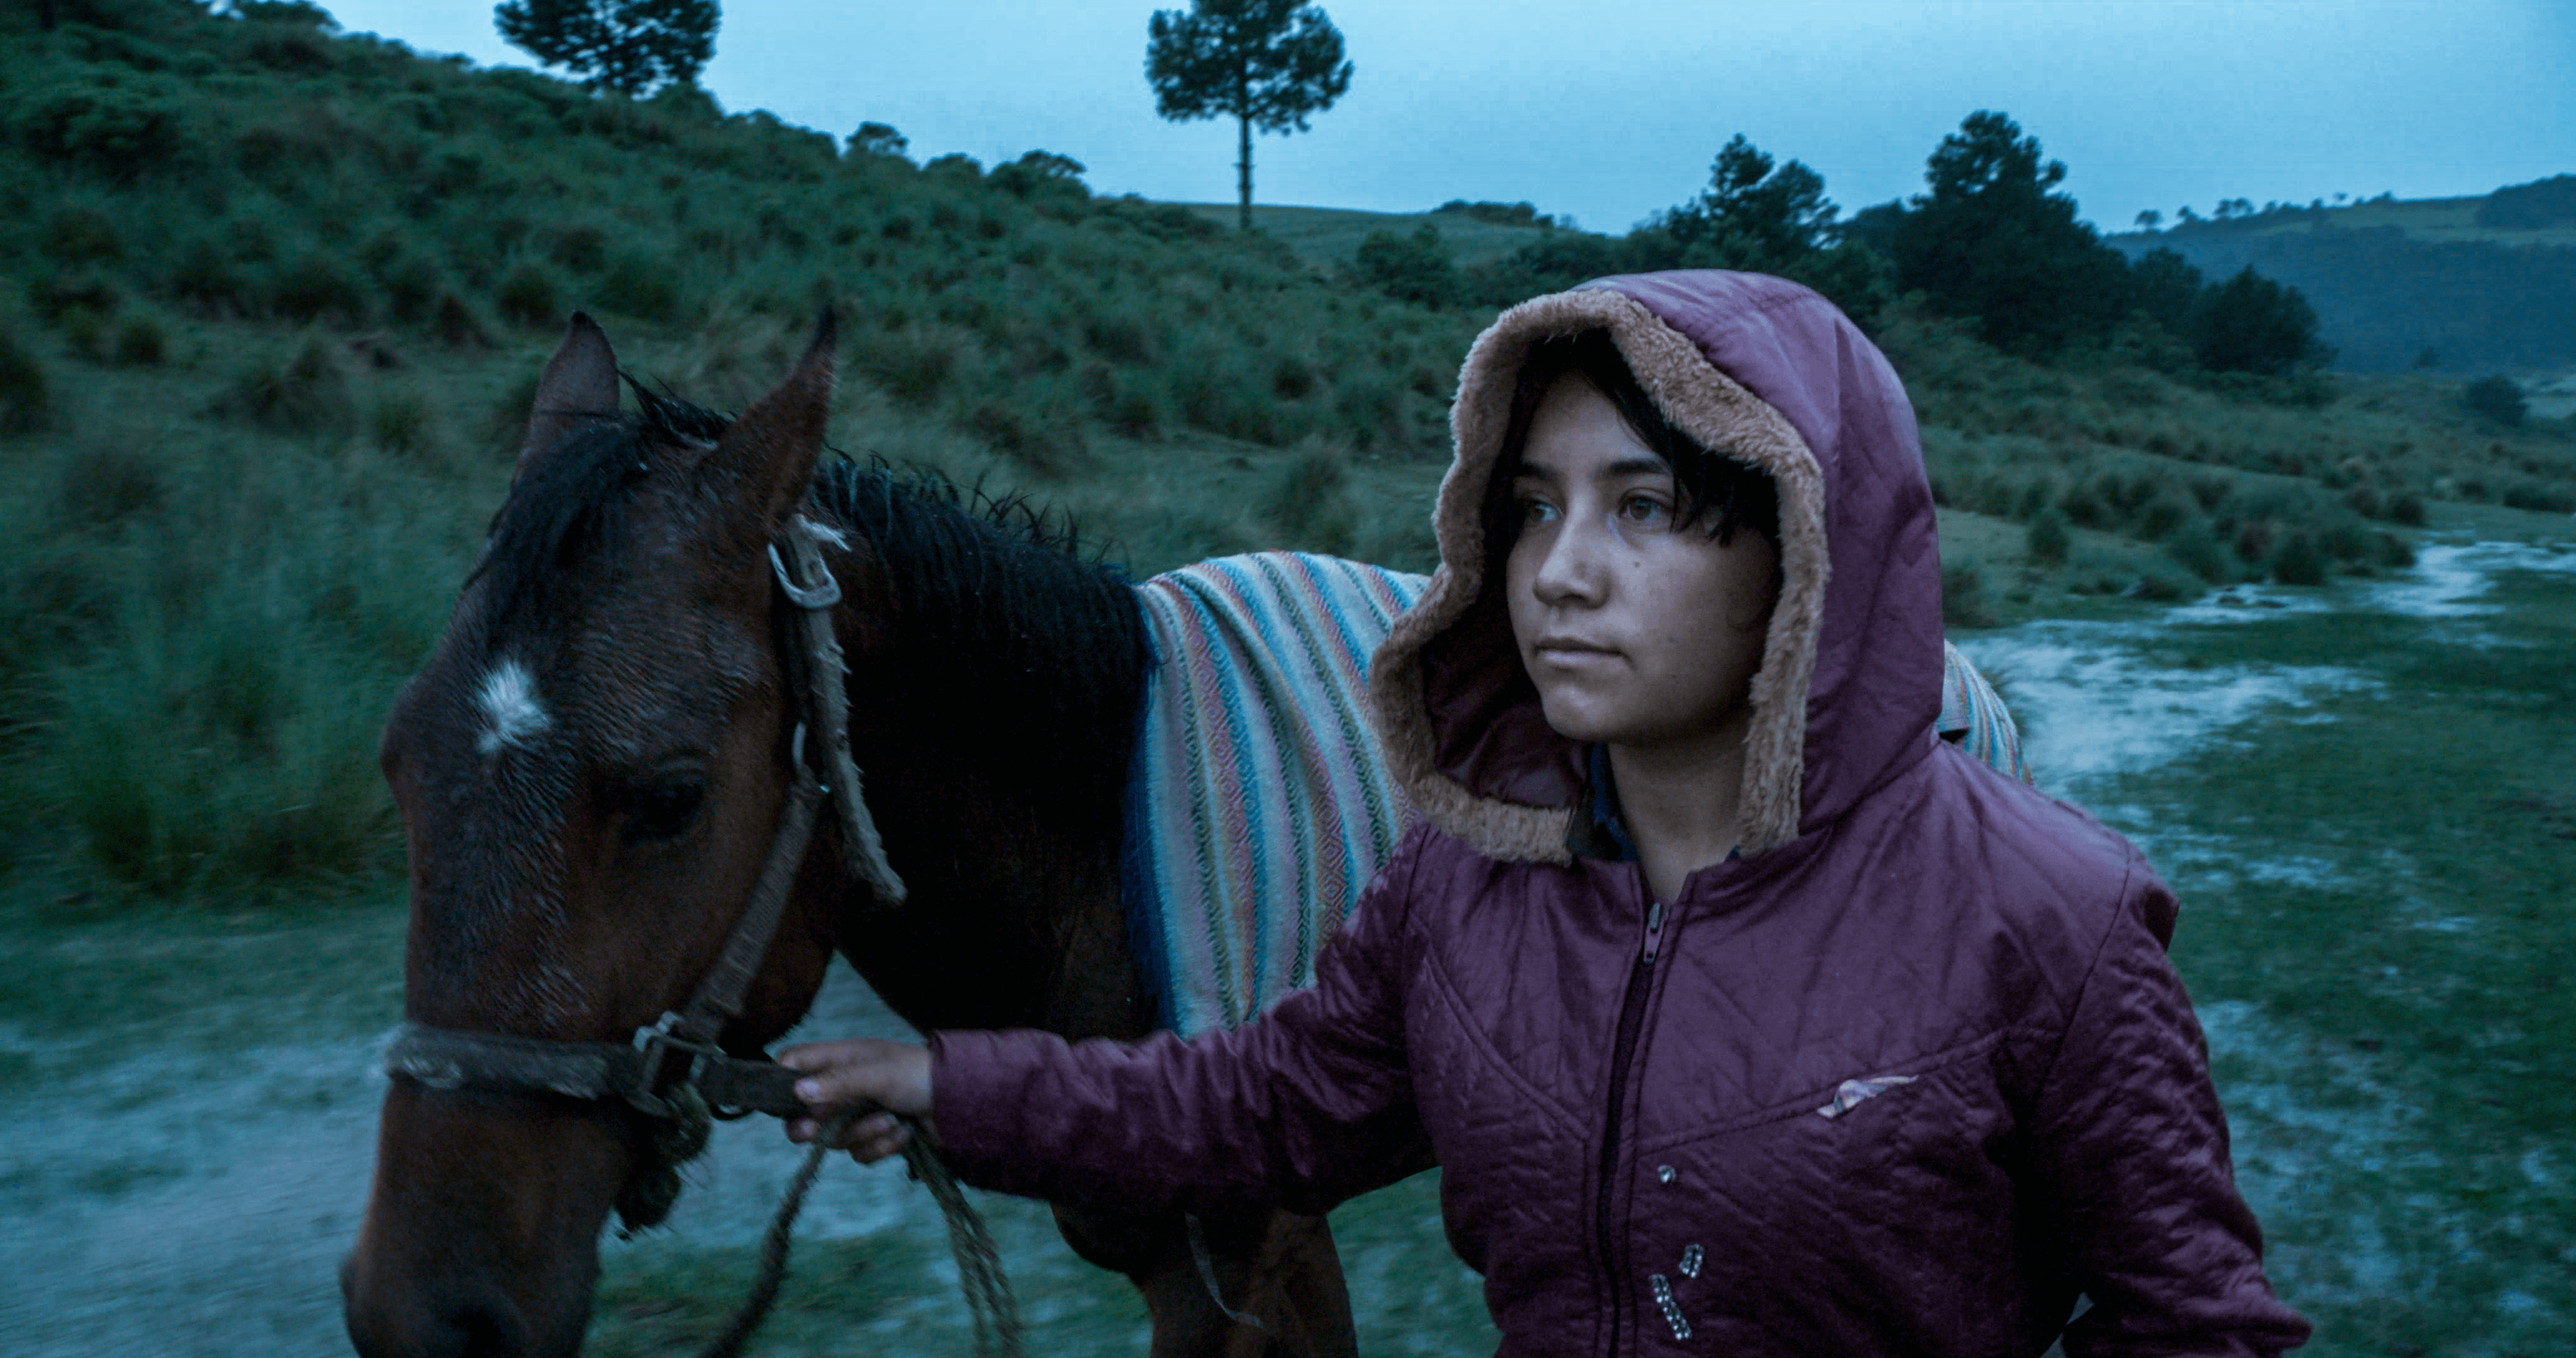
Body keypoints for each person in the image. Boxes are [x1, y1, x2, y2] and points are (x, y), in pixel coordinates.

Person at [780, 271, 2312, 1355]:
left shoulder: (2053, 922)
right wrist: (951, 1084)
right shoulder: (1468, 881)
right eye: (1531, 508)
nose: (1559, 572)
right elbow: (1260, 1107)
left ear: (1808, 548)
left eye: (1642, 508)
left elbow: (2196, 1323)